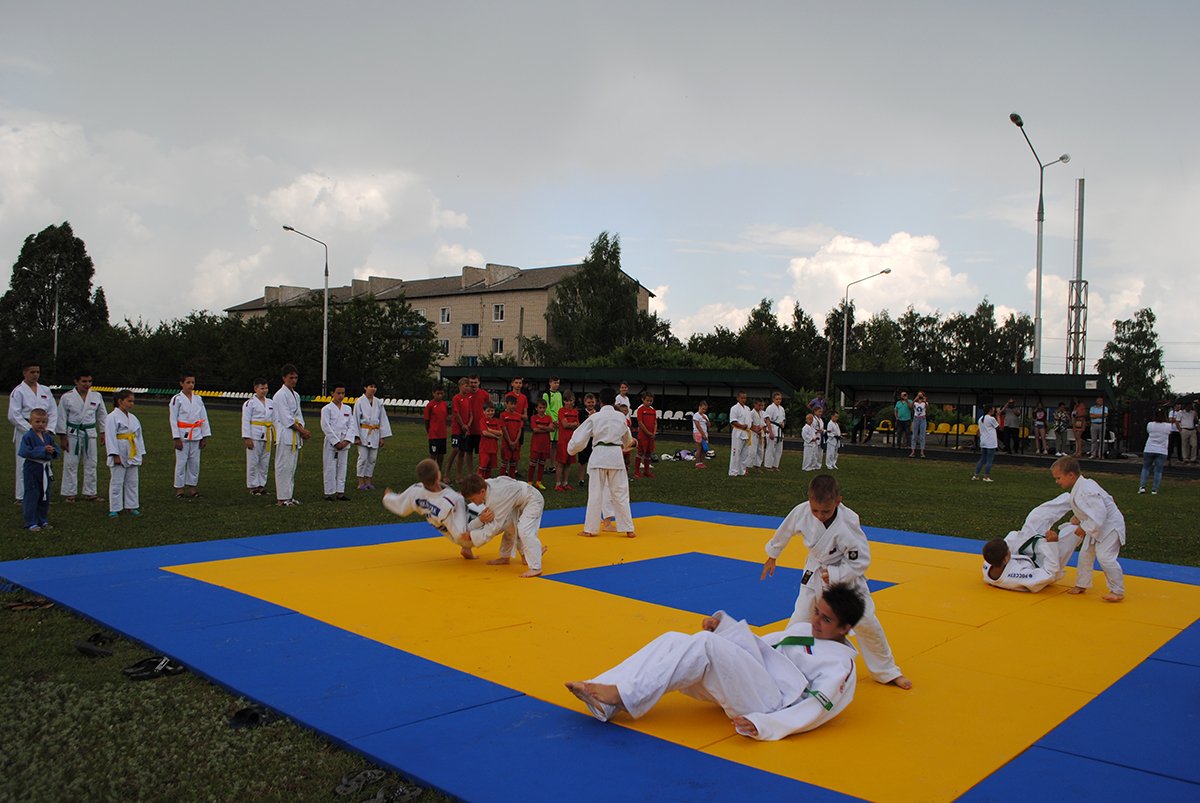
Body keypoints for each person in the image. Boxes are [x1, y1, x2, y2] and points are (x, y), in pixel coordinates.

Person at [565, 583, 864, 741]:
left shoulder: (840, 667)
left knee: (706, 647)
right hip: (758, 683)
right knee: (674, 639)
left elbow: (815, 710)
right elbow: (760, 651)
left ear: (845, 629)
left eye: (826, 620)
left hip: (772, 704)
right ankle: (607, 693)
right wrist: (724, 628)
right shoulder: (802, 630)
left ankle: (623, 696)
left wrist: (765, 724)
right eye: (817, 612)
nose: (816, 621)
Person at [762, 474, 911, 689]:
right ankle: (782, 667)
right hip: (814, 572)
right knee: (800, 621)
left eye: (826, 511)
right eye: (815, 510)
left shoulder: (848, 521)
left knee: (866, 621)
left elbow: (861, 560)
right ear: (809, 499)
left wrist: (835, 575)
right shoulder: (801, 511)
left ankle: (887, 671)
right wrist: (772, 555)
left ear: (838, 501)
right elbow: (784, 531)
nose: (820, 515)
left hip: (846, 578)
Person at [1051, 456, 1126, 602]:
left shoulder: (1086, 490)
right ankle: (1082, 584)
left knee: (1105, 558)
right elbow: (1088, 509)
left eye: (1059, 478)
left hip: (1110, 527)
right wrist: (1078, 518)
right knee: (1085, 555)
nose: (1057, 481)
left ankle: (1118, 591)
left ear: (1071, 475)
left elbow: (1099, 514)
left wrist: (1084, 528)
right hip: (1097, 526)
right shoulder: (1082, 486)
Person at [568, 386, 636, 538]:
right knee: (621, 493)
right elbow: (628, 441)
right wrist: (626, 444)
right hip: (616, 457)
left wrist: (571, 449)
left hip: (599, 456)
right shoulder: (621, 418)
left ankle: (590, 529)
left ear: (600, 401)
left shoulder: (595, 417)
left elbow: (579, 438)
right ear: (614, 401)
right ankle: (628, 528)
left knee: (595, 494)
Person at [382, 458, 482, 560]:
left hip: (444, 529)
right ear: (438, 476)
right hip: (465, 536)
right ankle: (466, 546)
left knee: (457, 513)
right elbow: (461, 531)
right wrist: (468, 538)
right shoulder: (453, 500)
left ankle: (466, 548)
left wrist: (388, 497)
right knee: (490, 511)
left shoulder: (416, 491)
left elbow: (400, 506)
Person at [981, 493, 1081, 592]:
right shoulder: (1018, 577)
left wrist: (1020, 535)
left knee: (1036, 516)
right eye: (1008, 551)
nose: (1008, 550)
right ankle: (1085, 520)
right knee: (1073, 532)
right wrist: (1052, 544)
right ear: (1005, 559)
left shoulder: (991, 561)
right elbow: (1051, 572)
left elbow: (1004, 546)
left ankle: (1075, 497)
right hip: (1046, 564)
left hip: (1025, 552)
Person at [462, 473, 546, 578]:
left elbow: (494, 528)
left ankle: (535, 567)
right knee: (509, 525)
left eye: (473, 499)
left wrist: (472, 536)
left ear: (482, 492)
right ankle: (506, 557)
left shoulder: (496, 498)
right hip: (517, 501)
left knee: (524, 530)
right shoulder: (485, 486)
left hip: (533, 500)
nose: (473, 502)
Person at [9, 361, 57, 504]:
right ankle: (21, 496)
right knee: (24, 461)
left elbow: (53, 411)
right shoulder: (18, 391)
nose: (35, 375)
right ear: (24, 373)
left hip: (44, 430)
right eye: (32, 372)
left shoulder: (45, 390)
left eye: (37, 372)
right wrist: (31, 430)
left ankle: (41, 493)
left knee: (44, 462)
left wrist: (49, 429)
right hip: (25, 431)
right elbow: (13, 415)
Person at [55, 369, 106, 502]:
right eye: (84, 381)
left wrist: (103, 432)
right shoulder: (67, 397)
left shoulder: (96, 396)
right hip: (72, 433)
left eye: (89, 381)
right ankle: (69, 493)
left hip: (90, 433)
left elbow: (102, 415)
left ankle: (90, 492)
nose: (87, 384)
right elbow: (61, 417)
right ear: (76, 381)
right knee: (71, 463)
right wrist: (62, 436)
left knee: (91, 463)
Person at [273, 363, 311, 507]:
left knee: (291, 467)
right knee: (283, 466)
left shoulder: (296, 395)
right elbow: (286, 418)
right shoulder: (279, 395)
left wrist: (302, 428)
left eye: (296, 378)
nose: (294, 380)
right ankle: (281, 499)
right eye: (291, 378)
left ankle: (288, 496)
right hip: (285, 434)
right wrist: (301, 431)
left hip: (295, 435)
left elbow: (298, 415)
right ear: (284, 378)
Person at [169, 372, 211, 499]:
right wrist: (176, 437)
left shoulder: (198, 399)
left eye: (193, 382)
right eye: (188, 382)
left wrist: (205, 436)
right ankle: (179, 490)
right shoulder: (177, 399)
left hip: (196, 434)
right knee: (181, 462)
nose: (191, 385)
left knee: (195, 463)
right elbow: (173, 419)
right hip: (182, 434)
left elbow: (204, 417)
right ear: (182, 383)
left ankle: (193, 488)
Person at [105, 389, 145, 517]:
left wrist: (140, 452)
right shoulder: (112, 417)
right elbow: (110, 437)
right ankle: (115, 508)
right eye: (129, 401)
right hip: (120, 449)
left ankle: (131, 506)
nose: (132, 404)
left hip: (132, 450)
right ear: (120, 401)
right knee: (117, 481)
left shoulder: (133, 418)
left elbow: (138, 436)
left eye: (133, 401)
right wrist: (114, 454)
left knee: (132, 481)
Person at [18, 408, 58, 531]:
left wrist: (53, 451)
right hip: (32, 468)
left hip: (45, 468)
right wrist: (42, 450)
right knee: (32, 494)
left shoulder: (47, 437)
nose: (41, 425)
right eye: (37, 422)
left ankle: (43, 520)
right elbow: (24, 452)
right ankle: (31, 522)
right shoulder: (28, 436)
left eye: (43, 422)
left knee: (44, 494)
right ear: (30, 422)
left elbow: (56, 449)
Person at [354, 380, 393, 490]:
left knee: (372, 459)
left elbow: (383, 419)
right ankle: (360, 482)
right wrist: (356, 436)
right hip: (363, 433)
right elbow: (355, 419)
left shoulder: (378, 402)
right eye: (371, 386)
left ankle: (368, 480)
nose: (373, 389)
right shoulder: (360, 401)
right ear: (365, 388)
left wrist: (382, 436)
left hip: (375, 433)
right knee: (363, 458)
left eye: (375, 387)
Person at [240, 377, 275, 496]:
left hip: (267, 434)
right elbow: (245, 421)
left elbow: (274, 420)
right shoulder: (250, 403)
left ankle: (261, 485)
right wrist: (247, 437)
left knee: (264, 461)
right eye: (262, 388)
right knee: (253, 461)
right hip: (254, 434)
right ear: (255, 389)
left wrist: (275, 437)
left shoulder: (271, 402)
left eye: (266, 388)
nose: (264, 390)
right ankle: (253, 486)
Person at [320, 382, 354, 501]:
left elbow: (351, 425)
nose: (341, 396)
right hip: (332, 442)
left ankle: (340, 492)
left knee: (342, 467)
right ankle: (329, 492)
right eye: (338, 393)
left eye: (343, 393)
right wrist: (335, 442)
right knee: (330, 467)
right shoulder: (327, 409)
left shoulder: (347, 408)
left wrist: (346, 441)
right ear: (332, 393)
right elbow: (325, 426)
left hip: (344, 441)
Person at [1138, 409, 1173, 495]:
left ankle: (1142, 487)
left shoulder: (1150, 424)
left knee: (1146, 468)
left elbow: (1148, 432)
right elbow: (1170, 433)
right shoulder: (1168, 426)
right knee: (1158, 470)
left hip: (1149, 448)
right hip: (1162, 450)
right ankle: (1154, 489)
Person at [448, 377, 474, 483]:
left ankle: (458, 476)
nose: (467, 388)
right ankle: (446, 474)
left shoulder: (468, 399)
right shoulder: (456, 398)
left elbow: (471, 414)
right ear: (460, 386)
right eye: (465, 385)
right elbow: (456, 413)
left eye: (468, 386)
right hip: (457, 429)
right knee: (455, 450)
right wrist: (462, 424)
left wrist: (468, 425)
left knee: (462, 452)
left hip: (465, 429)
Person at [554, 391, 580, 491]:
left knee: (569, 463)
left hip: (572, 441)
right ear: (564, 401)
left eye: (571, 400)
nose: (569, 403)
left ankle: (565, 483)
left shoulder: (575, 412)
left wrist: (572, 424)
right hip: (563, 441)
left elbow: (578, 425)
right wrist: (572, 424)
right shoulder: (561, 411)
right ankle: (558, 484)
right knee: (561, 463)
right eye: (567, 401)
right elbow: (565, 425)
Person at [420, 385, 447, 477]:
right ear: (433, 393)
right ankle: (430, 474)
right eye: (437, 393)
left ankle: (438, 473)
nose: (439, 395)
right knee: (433, 455)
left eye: (441, 393)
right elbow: (426, 420)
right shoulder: (430, 405)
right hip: (434, 435)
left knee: (441, 456)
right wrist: (429, 430)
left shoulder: (444, 404)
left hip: (442, 435)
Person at [528, 400, 554, 489]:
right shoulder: (533, 417)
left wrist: (541, 427)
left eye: (544, 408)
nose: (542, 409)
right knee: (533, 463)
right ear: (536, 408)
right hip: (536, 444)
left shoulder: (549, 418)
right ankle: (530, 482)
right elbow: (535, 430)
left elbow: (552, 429)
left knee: (542, 463)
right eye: (540, 408)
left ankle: (539, 482)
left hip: (545, 444)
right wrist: (546, 428)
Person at [499, 393, 524, 479]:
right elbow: (504, 429)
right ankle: (502, 480)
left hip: (515, 443)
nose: (513, 406)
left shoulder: (518, 416)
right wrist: (509, 441)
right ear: (506, 403)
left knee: (514, 461)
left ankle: (512, 479)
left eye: (515, 404)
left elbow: (519, 430)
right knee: (505, 461)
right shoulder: (503, 415)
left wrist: (516, 441)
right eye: (511, 404)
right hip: (506, 443)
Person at [972, 405, 999, 482]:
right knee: (989, 460)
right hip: (990, 442)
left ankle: (976, 475)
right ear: (990, 410)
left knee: (982, 459)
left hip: (983, 441)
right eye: (993, 409)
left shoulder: (981, 419)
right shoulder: (991, 418)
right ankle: (986, 476)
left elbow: (979, 431)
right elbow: (998, 427)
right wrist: (998, 416)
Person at [634, 392, 658, 479]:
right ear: (643, 400)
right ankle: (636, 471)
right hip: (643, 435)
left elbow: (655, 422)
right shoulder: (640, 409)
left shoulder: (653, 410)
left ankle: (646, 471)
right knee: (640, 452)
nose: (649, 402)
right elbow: (640, 422)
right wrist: (647, 432)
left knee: (648, 453)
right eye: (647, 400)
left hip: (651, 436)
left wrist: (654, 432)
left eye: (651, 401)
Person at [728, 391, 752, 477]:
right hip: (738, 433)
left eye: (745, 398)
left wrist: (750, 428)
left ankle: (742, 471)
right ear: (738, 398)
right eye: (742, 398)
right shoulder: (734, 408)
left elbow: (750, 422)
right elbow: (733, 421)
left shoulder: (748, 408)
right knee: (736, 453)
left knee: (745, 454)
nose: (743, 399)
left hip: (747, 433)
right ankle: (733, 472)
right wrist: (742, 426)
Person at [477, 404, 502, 478]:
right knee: (482, 467)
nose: (490, 412)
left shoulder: (496, 421)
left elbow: (500, 432)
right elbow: (485, 433)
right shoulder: (482, 420)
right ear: (484, 411)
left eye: (492, 410)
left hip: (493, 449)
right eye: (488, 411)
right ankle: (479, 483)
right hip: (485, 448)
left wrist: (490, 430)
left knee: (489, 468)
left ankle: (487, 483)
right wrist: (495, 436)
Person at [763, 391, 786, 471]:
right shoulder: (770, 408)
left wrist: (783, 423)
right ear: (773, 399)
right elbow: (767, 420)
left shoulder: (782, 408)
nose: (779, 400)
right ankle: (768, 466)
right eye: (777, 399)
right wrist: (770, 432)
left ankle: (775, 466)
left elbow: (783, 419)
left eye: (780, 399)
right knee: (770, 449)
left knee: (779, 450)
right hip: (772, 429)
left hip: (779, 430)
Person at [542, 376, 563, 454]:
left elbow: (561, 407)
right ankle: (546, 463)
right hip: (551, 422)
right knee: (549, 444)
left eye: (558, 383)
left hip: (558, 422)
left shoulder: (559, 394)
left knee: (555, 445)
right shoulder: (546, 394)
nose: (556, 385)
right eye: (555, 383)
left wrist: (560, 419)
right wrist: (554, 420)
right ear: (550, 383)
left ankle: (552, 465)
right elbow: (546, 409)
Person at [747, 398, 767, 470]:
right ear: (755, 404)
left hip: (761, 434)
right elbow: (750, 424)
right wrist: (755, 429)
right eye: (759, 405)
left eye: (762, 405)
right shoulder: (751, 413)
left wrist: (765, 430)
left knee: (760, 451)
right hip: (753, 434)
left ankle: (757, 466)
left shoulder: (762, 413)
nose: (761, 407)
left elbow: (763, 424)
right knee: (752, 451)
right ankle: (747, 467)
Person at [692, 399, 711, 470]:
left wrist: (706, 420)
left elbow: (709, 425)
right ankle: (697, 463)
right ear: (699, 407)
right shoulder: (696, 415)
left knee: (704, 449)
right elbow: (698, 426)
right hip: (698, 434)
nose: (704, 411)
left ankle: (701, 462)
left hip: (705, 434)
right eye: (703, 409)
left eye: (705, 409)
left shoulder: (705, 416)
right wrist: (703, 434)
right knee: (699, 448)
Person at [910, 391, 928, 458]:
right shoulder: (915, 403)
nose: (920, 397)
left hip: (923, 419)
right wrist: (915, 399)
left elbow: (927, 407)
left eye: (921, 396)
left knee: (922, 436)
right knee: (914, 435)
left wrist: (925, 400)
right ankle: (913, 451)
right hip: (916, 419)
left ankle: (922, 452)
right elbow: (910, 406)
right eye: (919, 395)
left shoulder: (924, 403)